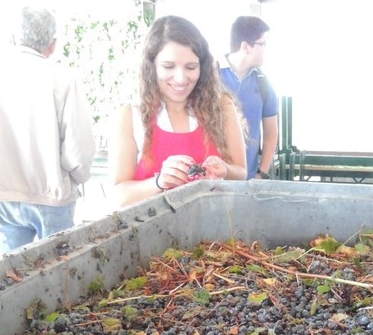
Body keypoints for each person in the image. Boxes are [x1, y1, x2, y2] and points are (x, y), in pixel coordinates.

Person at [0, 6, 95, 253]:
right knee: (58, 278)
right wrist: (78, 177)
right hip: (52, 194)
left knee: (7, 281)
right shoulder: (62, 79)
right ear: (52, 45)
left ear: (13, 38)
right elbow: (79, 148)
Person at [109, 15, 247, 207]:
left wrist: (224, 170)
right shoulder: (131, 116)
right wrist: (159, 182)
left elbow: (241, 173)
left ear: (203, 66)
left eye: (191, 67)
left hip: (213, 231)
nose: (181, 79)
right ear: (152, 66)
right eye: (168, 66)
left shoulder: (222, 107)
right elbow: (119, 195)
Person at [219, 16, 279, 180]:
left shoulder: (263, 84)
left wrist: (262, 173)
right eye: (263, 44)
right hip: (211, 180)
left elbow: (271, 132)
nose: (266, 49)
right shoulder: (210, 77)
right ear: (245, 46)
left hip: (248, 181)